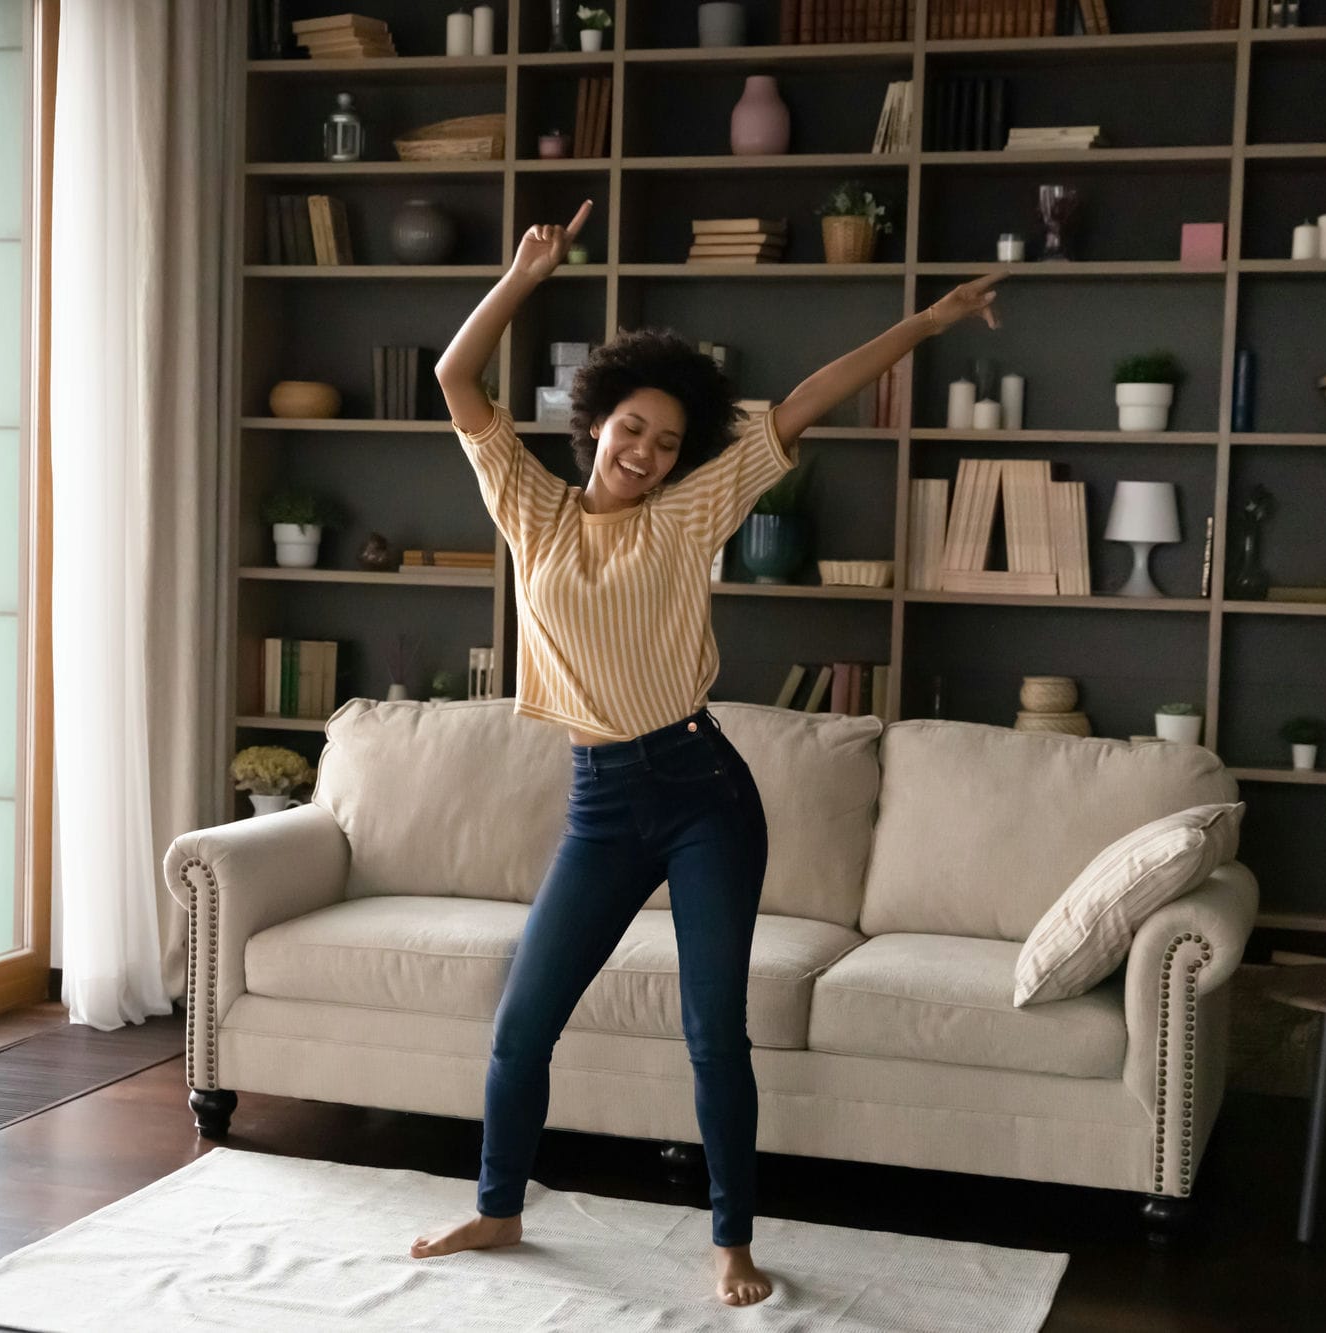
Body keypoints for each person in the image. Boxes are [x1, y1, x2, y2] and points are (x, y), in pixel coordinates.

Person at [409, 199, 1004, 1307]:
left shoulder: (688, 515)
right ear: (594, 422)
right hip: (598, 799)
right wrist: (522, 278)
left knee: (709, 1032)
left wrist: (924, 322)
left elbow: (810, 398)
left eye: (668, 441)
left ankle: (731, 1238)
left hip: (700, 794)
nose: (645, 452)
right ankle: (496, 1207)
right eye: (631, 429)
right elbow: (454, 377)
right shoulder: (528, 509)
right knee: (521, 1023)